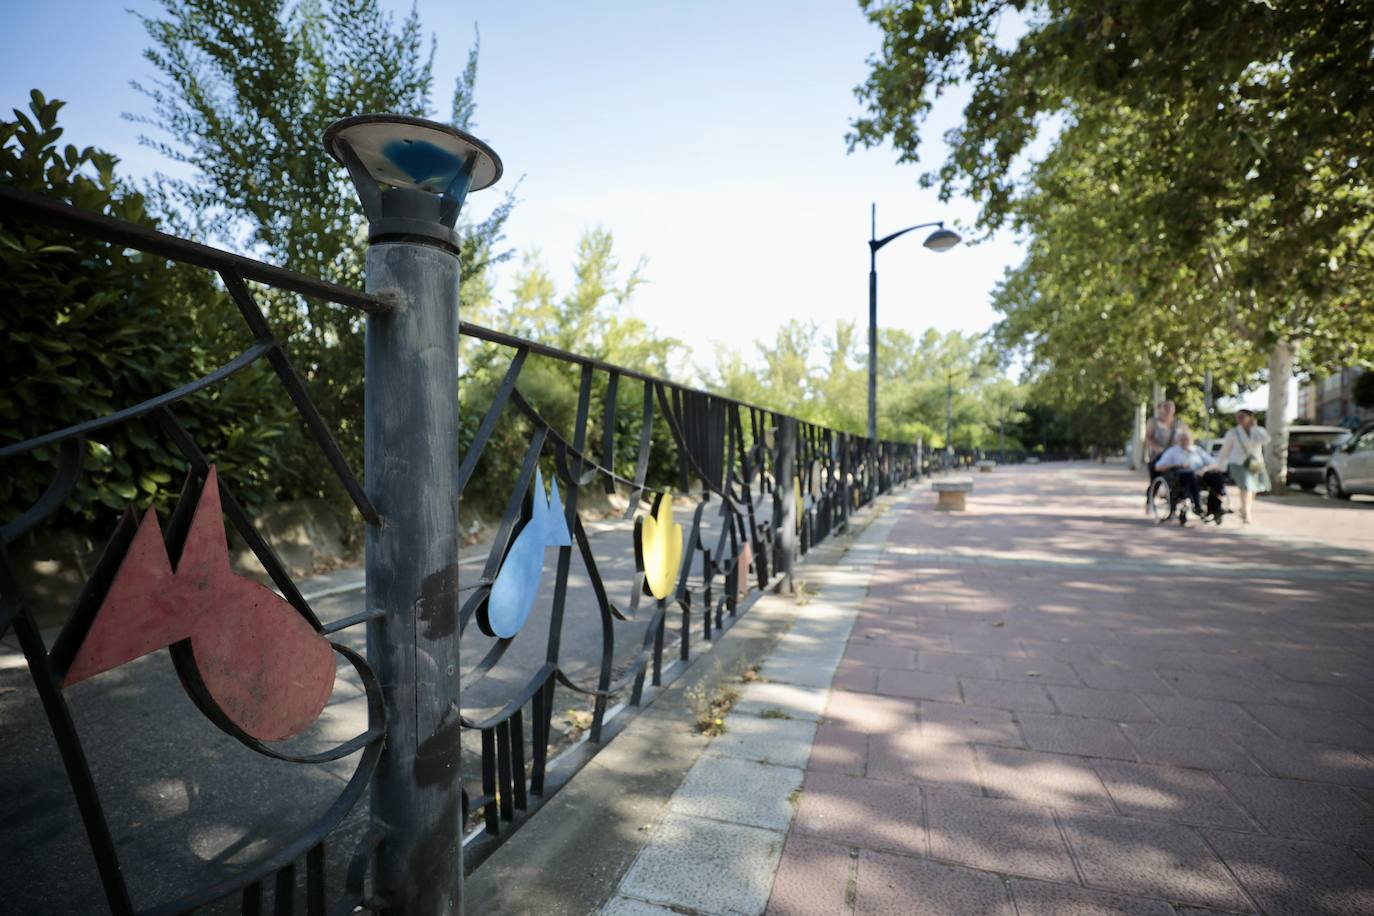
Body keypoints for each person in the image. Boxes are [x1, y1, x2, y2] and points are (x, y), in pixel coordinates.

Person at [1155, 429, 1227, 522]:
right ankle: (1197, 505)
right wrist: (1178, 465)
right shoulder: (1172, 452)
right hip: (1180, 477)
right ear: (1178, 440)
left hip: (1200, 476)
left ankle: (1215, 508)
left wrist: (1204, 470)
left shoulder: (1197, 450)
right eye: (1182, 439)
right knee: (1190, 473)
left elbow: (1213, 463)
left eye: (1187, 439)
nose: (1185, 441)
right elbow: (1158, 467)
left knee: (1217, 475)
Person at [1214, 409, 1270, 524]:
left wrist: (1254, 427)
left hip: (1254, 463)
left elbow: (1266, 440)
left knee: (1254, 488)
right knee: (1246, 487)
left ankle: (1243, 508)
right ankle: (1247, 513)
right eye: (1238, 417)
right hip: (1238, 463)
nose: (1239, 419)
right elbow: (1225, 450)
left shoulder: (1257, 431)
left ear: (1250, 417)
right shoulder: (1233, 432)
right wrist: (1219, 465)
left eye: (1242, 416)